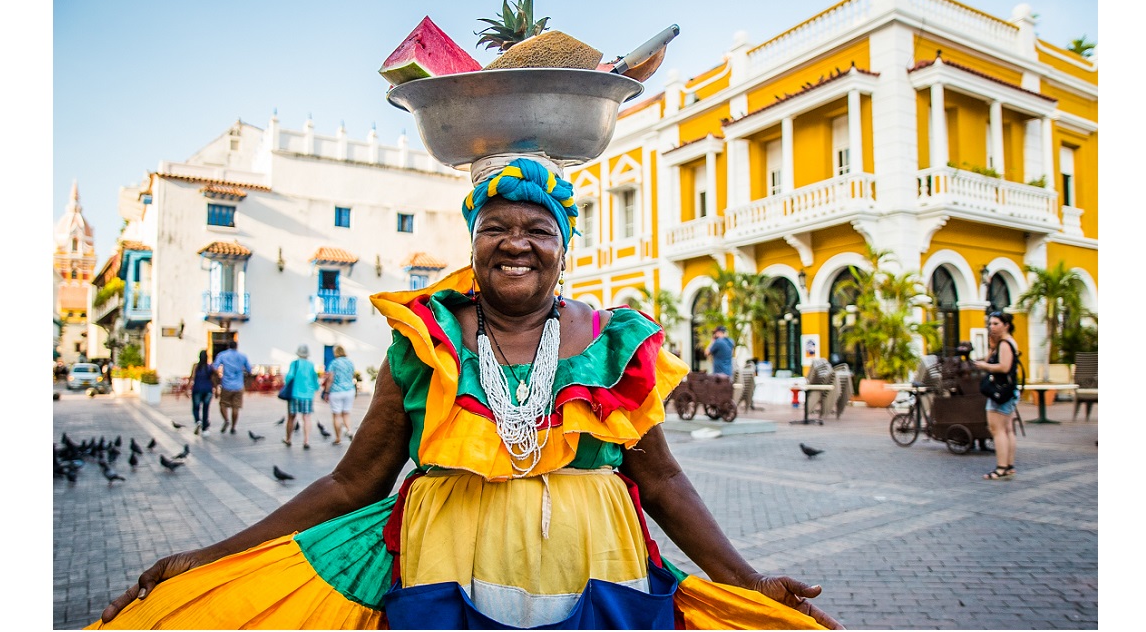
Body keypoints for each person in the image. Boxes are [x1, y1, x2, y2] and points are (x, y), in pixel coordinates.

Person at [92, 164, 839, 629]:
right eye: (496, 227)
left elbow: (664, 481)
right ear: (473, 242)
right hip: (444, 574)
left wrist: (746, 582)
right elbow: (355, 481)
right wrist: (211, 557)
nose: (516, 242)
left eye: (537, 228)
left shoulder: (619, 343)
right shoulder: (425, 343)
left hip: (601, 577)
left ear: (564, 245)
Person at [973, 311, 1020, 480]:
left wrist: (984, 366)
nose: (992, 327)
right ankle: (1008, 465)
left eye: (996, 324)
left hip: (1001, 391)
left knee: (997, 429)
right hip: (1009, 390)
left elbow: (1004, 367)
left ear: (1006, 325)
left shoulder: (1006, 344)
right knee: (1007, 429)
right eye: (990, 324)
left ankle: (1001, 467)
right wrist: (992, 348)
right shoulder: (1006, 343)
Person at [282, 344, 321, 450]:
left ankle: (288, 439)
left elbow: (289, 377)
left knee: (291, 417)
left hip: (294, 394)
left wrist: (286, 384)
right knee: (307, 417)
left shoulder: (294, 364)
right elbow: (315, 379)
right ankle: (306, 440)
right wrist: (317, 388)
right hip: (308, 394)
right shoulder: (311, 365)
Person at [212, 341, 252, 435]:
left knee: (223, 404)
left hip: (226, 385)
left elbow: (214, 367)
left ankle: (226, 420)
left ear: (228, 346)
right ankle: (233, 427)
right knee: (236, 407)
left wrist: (217, 377)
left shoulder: (222, 355)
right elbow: (249, 370)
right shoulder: (243, 356)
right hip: (238, 385)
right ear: (237, 346)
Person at [323, 344, 357, 445]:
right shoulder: (350, 362)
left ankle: (338, 438)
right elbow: (352, 376)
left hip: (336, 391)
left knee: (336, 415)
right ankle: (349, 430)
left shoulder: (334, 363)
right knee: (346, 413)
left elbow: (330, 379)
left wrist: (326, 392)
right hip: (349, 390)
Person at [183, 350, 216, 436]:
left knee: (196, 407)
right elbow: (213, 379)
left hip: (197, 389)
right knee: (206, 409)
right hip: (208, 390)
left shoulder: (196, 366)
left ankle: (198, 421)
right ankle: (205, 428)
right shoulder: (210, 367)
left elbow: (192, 377)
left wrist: (187, 389)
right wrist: (216, 389)